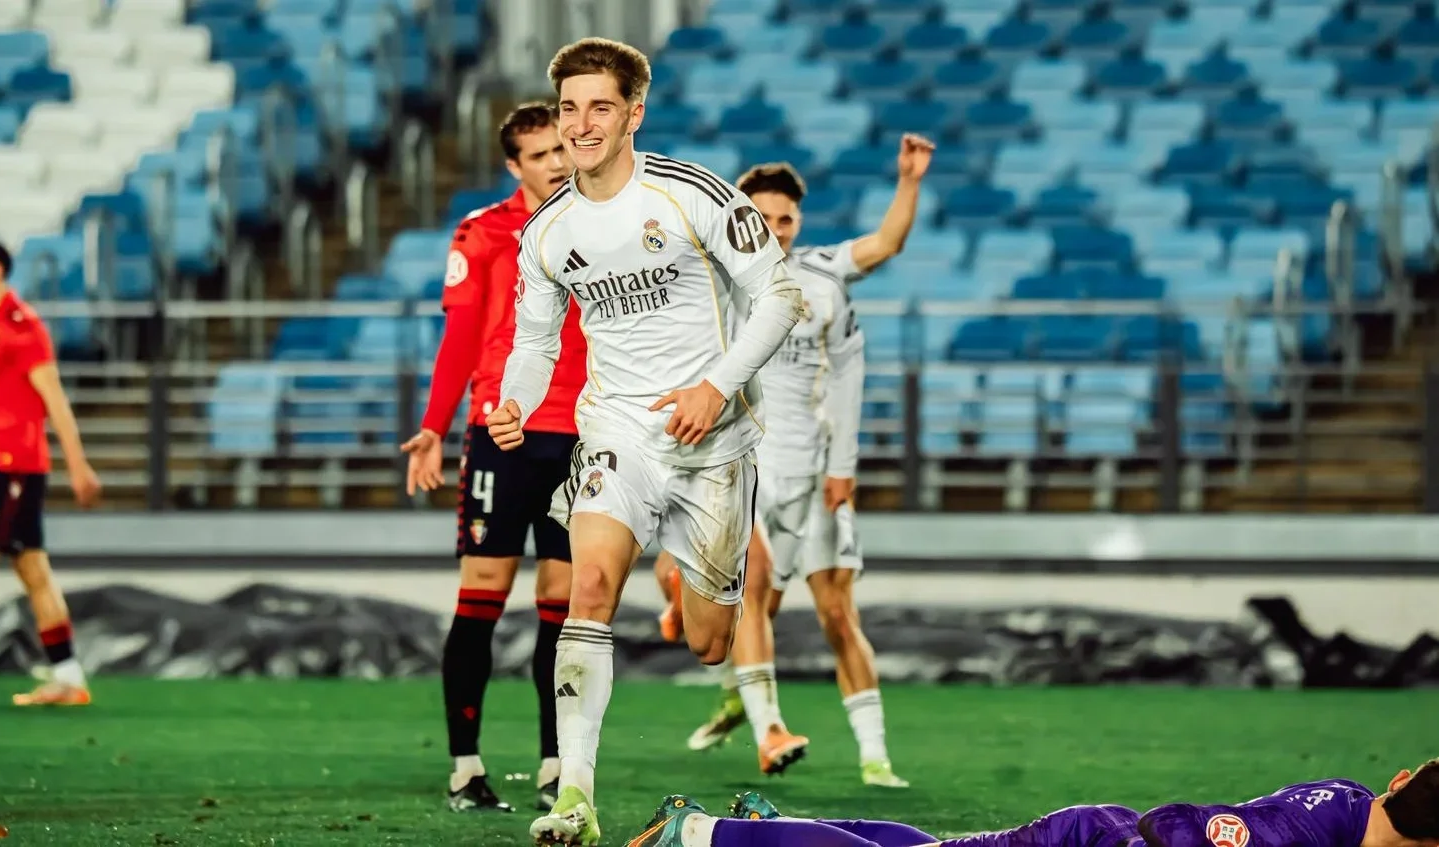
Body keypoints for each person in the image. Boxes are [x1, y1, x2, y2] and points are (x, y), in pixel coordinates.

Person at [485, 36, 803, 847]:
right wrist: (514, 402)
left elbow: (778, 294)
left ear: (634, 113)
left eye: (599, 107)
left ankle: (689, 579)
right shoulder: (550, 231)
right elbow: (534, 340)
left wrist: (715, 385)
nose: (581, 125)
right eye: (568, 109)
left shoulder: (690, 193)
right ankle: (574, 798)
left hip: (714, 438)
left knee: (707, 642)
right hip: (617, 427)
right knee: (587, 585)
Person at [656, 140, 934, 788]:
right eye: (761, 218)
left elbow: (885, 244)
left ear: (797, 222)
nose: (774, 230)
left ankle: (873, 756)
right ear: (741, 218)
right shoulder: (713, 282)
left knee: (834, 613)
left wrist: (909, 183)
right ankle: (765, 726)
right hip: (744, 469)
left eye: (784, 219)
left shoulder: (822, 274)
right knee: (752, 599)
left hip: (812, 477)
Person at [399, 102, 584, 814]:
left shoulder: (603, 223)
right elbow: (462, 336)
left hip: (579, 435)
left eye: (561, 149)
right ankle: (464, 766)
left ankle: (555, 764)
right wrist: (432, 426)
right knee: (481, 599)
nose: (556, 164)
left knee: (565, 613)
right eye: (539, 155)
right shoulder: (483, 233)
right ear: (514, 165)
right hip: (500, 433)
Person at [0, 238, 102, 706]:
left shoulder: (22, 328)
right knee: (34, 572)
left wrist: (78, 464)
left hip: (14, 468)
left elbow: (56, 402)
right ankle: (70, 680)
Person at [626, 761, 1439, 847]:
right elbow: (1181, 831)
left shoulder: (1350, 801)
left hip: (1098, 824)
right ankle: (699, 831)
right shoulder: (1309, 832)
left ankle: (769, 827)